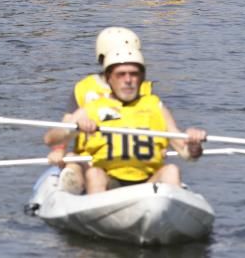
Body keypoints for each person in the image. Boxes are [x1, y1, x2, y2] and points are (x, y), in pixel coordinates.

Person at [44, 41, 205, 194]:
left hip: (147, 182)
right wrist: (74, 129)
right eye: (121, 74)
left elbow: (186, 153)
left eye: (134, 74)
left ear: (141, 78)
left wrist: (192, 143)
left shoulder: (155, 106)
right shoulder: (94, 107)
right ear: (109, 78)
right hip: (108, 181)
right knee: (95, 174)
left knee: (171, 170)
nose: (128, 80)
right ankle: (98, 212)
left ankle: (170, 217)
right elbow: (51, 139)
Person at [42, 27, 154, 192]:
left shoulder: (144, 89)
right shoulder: (84, 88)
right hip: (91, 156)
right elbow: (67, 124)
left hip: (131, 156)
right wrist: (59, 150)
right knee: (73, 160)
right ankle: (74, 187)